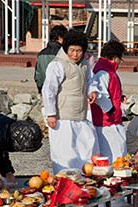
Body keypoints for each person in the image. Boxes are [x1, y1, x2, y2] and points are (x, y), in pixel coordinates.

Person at [42, 30, 99, 173]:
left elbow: (90, 81)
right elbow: (49, 90)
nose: (75, 54)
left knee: (86, 151)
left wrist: (92, 91)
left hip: (81, 116)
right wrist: (51, 114)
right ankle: (65, 186)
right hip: (63, 118)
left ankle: (86, 184)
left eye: (79, 51)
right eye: (72, 50)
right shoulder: (57, 65)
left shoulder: (85, 64)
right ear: (66, 49)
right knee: (65, 155)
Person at [90, 40, 127, 162]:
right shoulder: (103, 72)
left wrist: (120, 97)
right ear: (115, 57)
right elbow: (99, 96)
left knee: (116, 155)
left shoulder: (104, 69)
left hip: (109, 121)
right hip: (107, 123)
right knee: (115, 157)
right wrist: (111, 111)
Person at [34, 25, 68, 94]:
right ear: (59, 38)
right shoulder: (63, 54)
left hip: (45, 90)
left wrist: (40, 88)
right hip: (61, 91)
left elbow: (38, 75)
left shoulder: (41, 54)